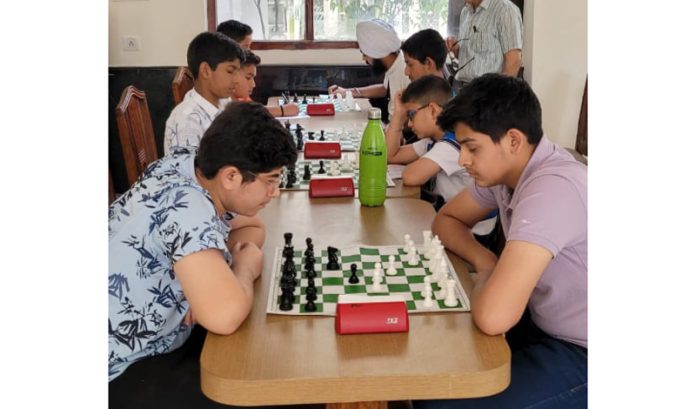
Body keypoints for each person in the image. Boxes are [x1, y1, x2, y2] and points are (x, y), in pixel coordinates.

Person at [413, 74, 587, 409]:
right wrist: (485, 261)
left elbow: (494, 316)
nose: (463, 160)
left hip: (583, 349)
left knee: (439, 404)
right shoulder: (505, 175)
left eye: (471, 147)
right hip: (541, 324)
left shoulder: (553, 188)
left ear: (513, 140)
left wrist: (490, 280)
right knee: (425, 367)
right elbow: (446, 220)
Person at [109, 102, 298, 408]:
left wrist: (212, 279)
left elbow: (252, 226)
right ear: (231, 176)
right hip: (123, 366)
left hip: (155, 337)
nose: (274, 193)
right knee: (272, 384)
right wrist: (244, 268)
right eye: (271, 181)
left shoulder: (186, 168)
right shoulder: (187, 207)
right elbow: (224, 316)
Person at [163, 31, 243, 155]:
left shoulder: (223, 101)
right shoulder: (187, 121)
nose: (237, 80)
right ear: (205, 71)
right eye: (230, 71)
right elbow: (188, 172)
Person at [327, 18, 410, 121]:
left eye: (364, 54)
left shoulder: (405, 70)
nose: (363, 58)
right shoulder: (394, 62)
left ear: (376, 52)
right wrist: (348, 92)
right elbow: (384, 89)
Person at [446, 0, 523, 87]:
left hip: (488, 92)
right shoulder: (465, 12)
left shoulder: (505, 10)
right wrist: (457, 50)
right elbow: (475, 56)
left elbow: (514, 61)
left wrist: (499, 97)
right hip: (464, 90)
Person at [233, 49, 300, 117]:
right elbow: (248, 114)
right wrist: (281, 110)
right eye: (248, 78)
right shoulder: (225, 103)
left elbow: (253, 110)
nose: (253, 85)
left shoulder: (242, 98)